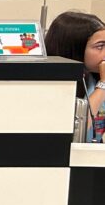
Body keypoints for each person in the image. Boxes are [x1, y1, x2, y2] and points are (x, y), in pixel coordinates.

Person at [44, 11, 105, 141]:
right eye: (100, 46)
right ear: (76, 49)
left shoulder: (95, 77)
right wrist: (103, 86)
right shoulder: (50, 85)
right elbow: (74, 132)